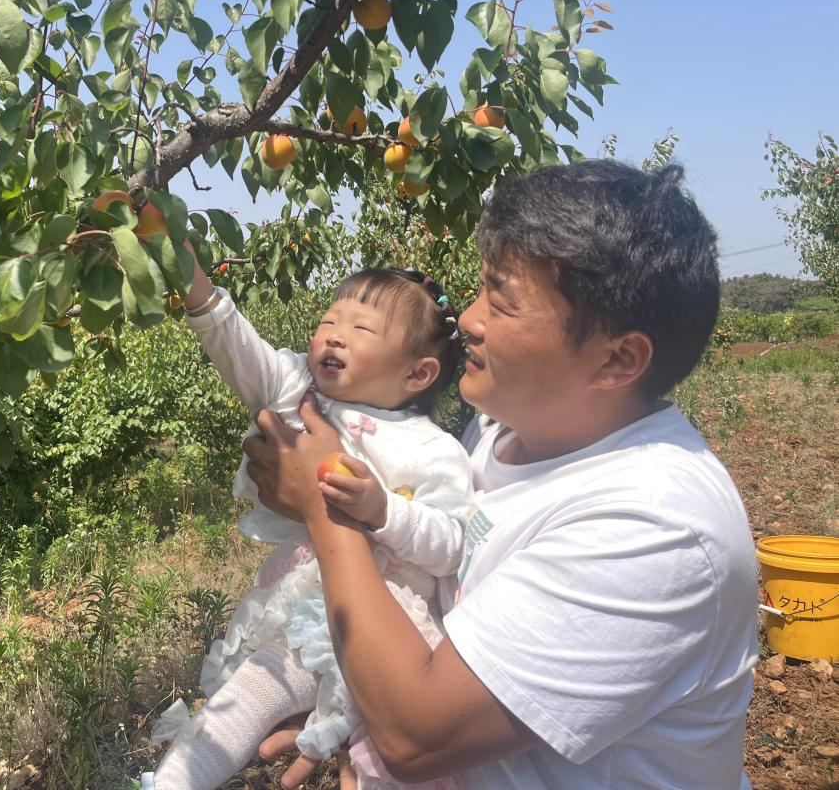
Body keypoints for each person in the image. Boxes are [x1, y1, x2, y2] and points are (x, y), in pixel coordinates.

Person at [241, 160, 760, 790]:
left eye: (503, 302)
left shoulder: (655, 525)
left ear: (617, 358)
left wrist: (325, 507)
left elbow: (418, 736)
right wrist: (351, 697)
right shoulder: (500, 431)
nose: (468, 319)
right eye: (482, 289)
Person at [142, 247, 475, 790]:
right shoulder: (299, 393)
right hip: (306, 616)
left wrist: (384, 512)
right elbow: (239, 350)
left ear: (419, 372)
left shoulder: (435, 452)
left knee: (378, 768)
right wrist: (194, 282)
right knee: (244, 698)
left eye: (361, 327)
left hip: (388, 633)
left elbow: (451, 545)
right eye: (328, 320)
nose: (334, 334)